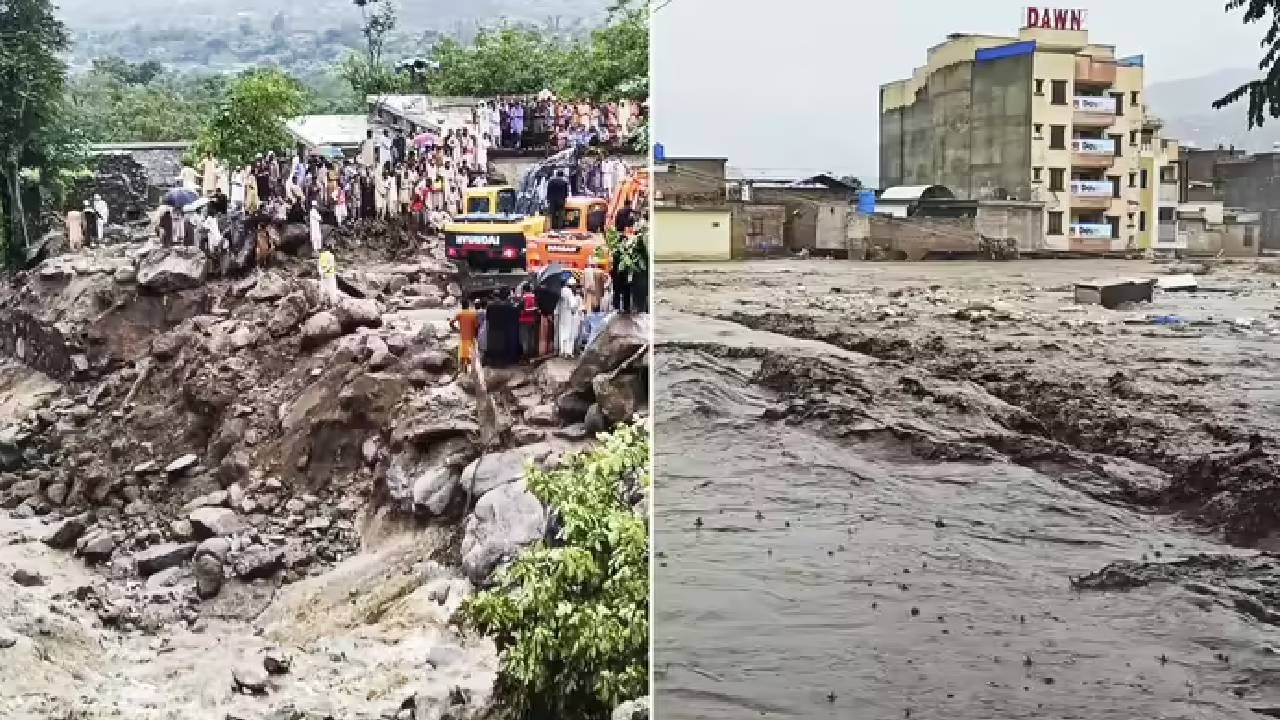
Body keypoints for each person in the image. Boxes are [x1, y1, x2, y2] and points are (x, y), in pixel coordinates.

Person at [451, 297, 480, 373]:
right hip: (471, 337)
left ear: (462, 306)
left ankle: (464, 370)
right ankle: (472, 371)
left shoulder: (459, 314)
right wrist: (476, 335)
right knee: (472, 354)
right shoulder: (473, 314)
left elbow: (451, 323)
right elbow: (476, 326)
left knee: (463, 354)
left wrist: (456, 330)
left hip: (463, 336)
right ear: (468, 306)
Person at [556, 279, 582, 358]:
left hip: (562, 314)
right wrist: (575, 308)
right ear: (572, 285)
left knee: (562, 332)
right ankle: (568, 352)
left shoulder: (560, 291)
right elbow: (573, 305)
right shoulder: (569, 292)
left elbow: (558, 305)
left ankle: (562, 351)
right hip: (568, 314)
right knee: (569, 333)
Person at [518, 283, 538, 361]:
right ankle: (531, 353)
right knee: (531, 337)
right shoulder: (535, 297)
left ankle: (525, 355)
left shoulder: (523, 298)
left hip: (524, 320)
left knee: (525, 338)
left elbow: (519, 308)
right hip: (533, 320)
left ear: (524, 290)